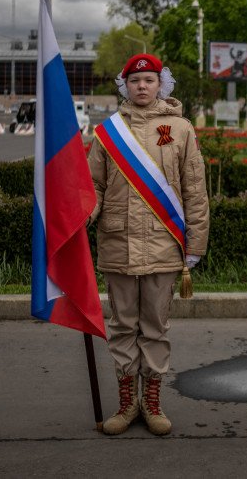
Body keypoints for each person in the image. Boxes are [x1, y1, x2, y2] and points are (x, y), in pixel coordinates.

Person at [87, 53, 210, 436]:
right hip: (118, 244)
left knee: (155, 327)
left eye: (149, 80)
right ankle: (128, 404)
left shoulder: (181, 129)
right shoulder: (107, 132)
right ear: (125, 86)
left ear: (161, 85)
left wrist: (195, 244)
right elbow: (94, 186)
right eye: (135, 81)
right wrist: (83, 214)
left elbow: (195, 191)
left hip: (163, 246)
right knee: (123, 326)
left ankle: (152, 403)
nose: (142, 86)